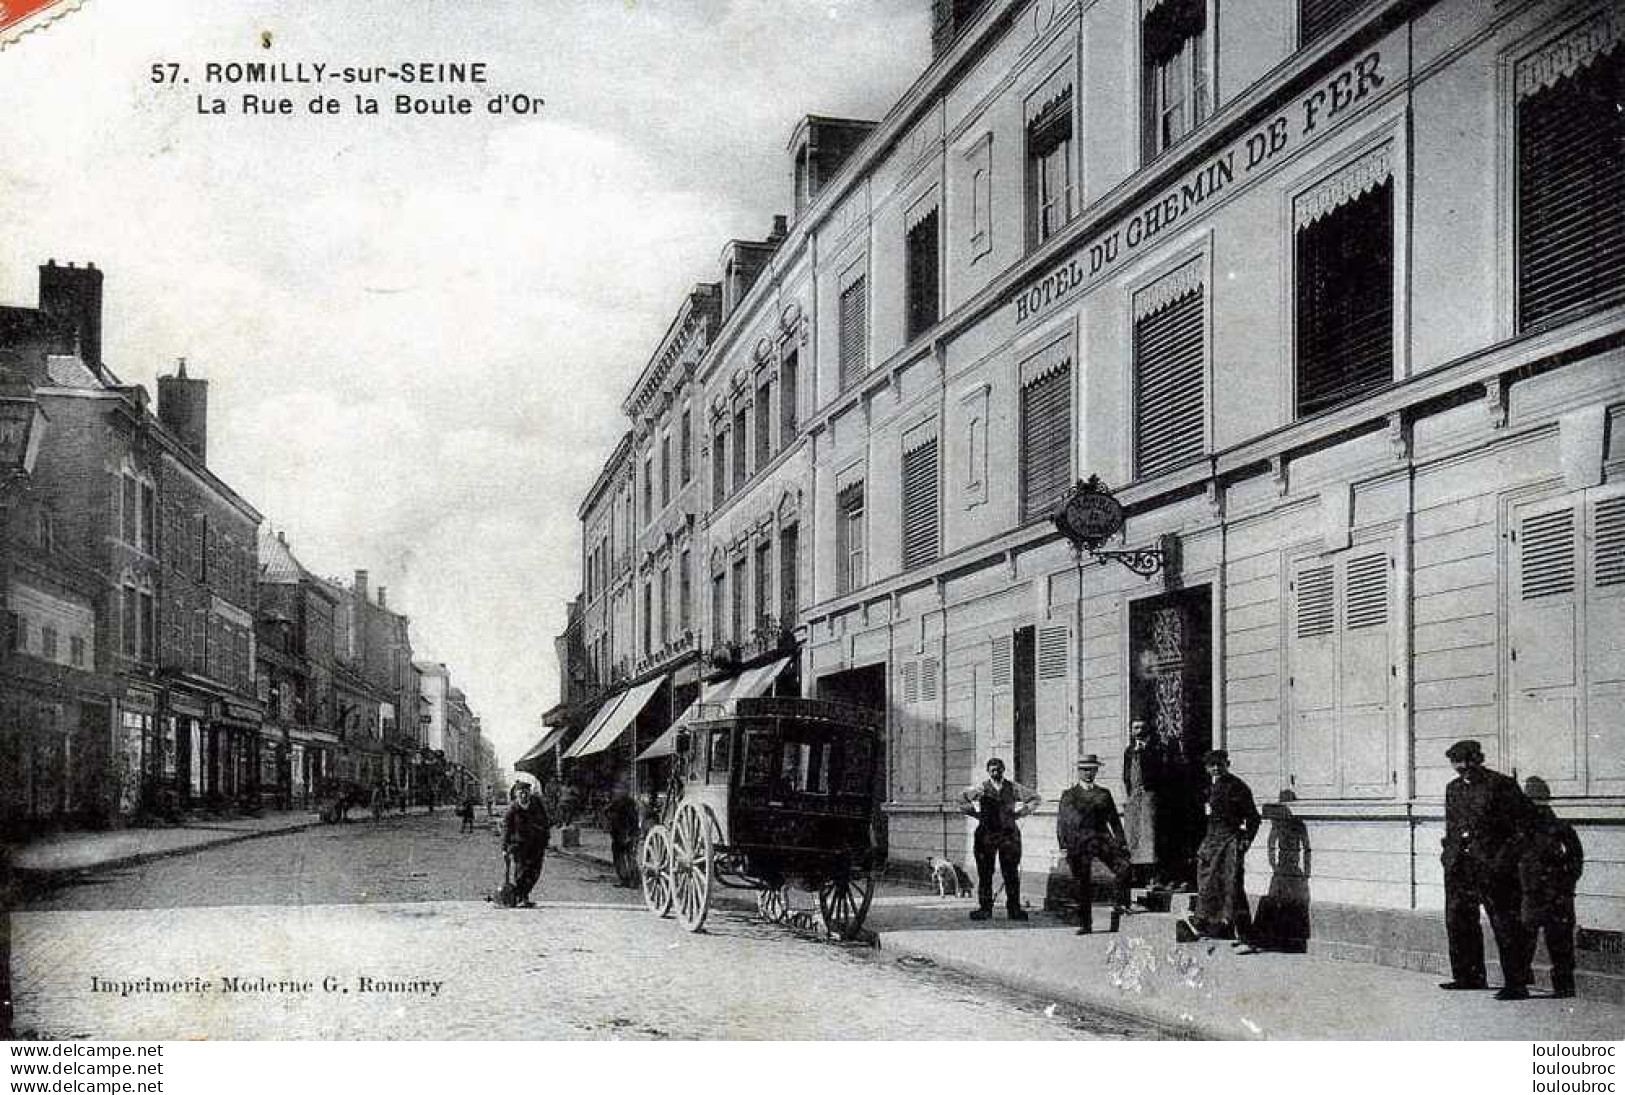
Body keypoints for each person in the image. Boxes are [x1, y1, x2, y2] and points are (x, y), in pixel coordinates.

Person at [1440, 739, 1537, 999]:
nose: (1463, 772)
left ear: (1478, 760)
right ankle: (1468, 977)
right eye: (1457, 767)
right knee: (1458, 920)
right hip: (1460, 867)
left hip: (1493, 868)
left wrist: (1503, 859)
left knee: (1505, 923)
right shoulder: (1453, 789)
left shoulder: (1501, 785)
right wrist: (1448, 854)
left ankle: (1516, 985)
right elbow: (1451, 826)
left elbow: (1525, 826)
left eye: (1467, 765)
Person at [1188, 750, 1260, 949]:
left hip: (1229, 842)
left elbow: (1253, 818)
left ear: (1227, 764)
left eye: (1220, 764)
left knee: (1233, 888)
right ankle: (1207, 926)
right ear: (1206, 768)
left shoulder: (1237, 787)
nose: (1216, 768)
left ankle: (1247, 938)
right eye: (1212, 765)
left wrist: (1245, 841)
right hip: (1211, 843)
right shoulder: (1206, 788)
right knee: (1207, 886)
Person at [1518, 776, 1583, 999]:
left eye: (1540, 804)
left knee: (1554, 941)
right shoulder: (1524, 829)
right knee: (1532, 940)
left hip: (1548, 892)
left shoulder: (1558, 828)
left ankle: (1561, 986)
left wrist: (1566, 883)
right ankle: (1530, 984)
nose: (1538, 809)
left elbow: (1575, 859)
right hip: (1535, 891)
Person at [1057, 754, 1133, 934]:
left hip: (1101, 840)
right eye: (1084, 769)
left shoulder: (1103, 794)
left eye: (1092, 769)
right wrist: (1064, 845)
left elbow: (1114, 820)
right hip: (1079, 844)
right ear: (1078, 771)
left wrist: (1121, 843)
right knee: (1082, 883)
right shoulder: (1069, 795)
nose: (1088, 773)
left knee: (1124, 868)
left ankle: (1119, 908)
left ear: (1097, 770)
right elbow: (1062, 823)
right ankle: (1085, 924)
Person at [959, 757, 1041, 921]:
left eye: (998, 770)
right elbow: (962, 799)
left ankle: (1014, 909)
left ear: (1003, 770)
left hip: (1008, 834)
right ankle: (985, 909)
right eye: (992, 770)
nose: (995, 773)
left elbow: (1035, 798)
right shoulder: (981, 787)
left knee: (1011, 873)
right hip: (986, 835)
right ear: (988, 771)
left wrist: (1021, 813)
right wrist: (975, 813)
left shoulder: (1013, 787)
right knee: (985, 873)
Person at [1121, 720, 1163, 892]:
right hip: (1134, 797)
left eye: (1142, 728)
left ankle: (1153, 876)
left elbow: (1160, 773)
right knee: (1133, 836)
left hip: (1149, 797)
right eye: (1135, 728)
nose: (1139, 731)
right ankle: (1136, 875)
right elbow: (1126, 775)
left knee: (1149, 836)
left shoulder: (1156, 750)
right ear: (1131, 731)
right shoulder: (1129, 751)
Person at [502, 780, 552, 908]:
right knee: (521, 871)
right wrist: (504, 847)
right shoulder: (513, 809)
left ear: (529, 793)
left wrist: (546, 839)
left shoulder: (537, 805)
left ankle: (522, 895)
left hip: (537, 844)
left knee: (535, 872)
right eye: (521, 793)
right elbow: (506, 829)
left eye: (526, 793)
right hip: (520, 845)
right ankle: (522, 897)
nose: (523, 796)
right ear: (516, 795)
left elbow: (546, 822)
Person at [605, 781, 641, 888]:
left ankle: (631, 880)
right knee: (623, 857)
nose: (617, 791)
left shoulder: (626, 803)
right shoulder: (619, 802)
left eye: (620, 789)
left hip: (625, 832)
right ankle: (627, 879)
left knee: (626, 857)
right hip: (618, 832)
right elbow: (606, 811)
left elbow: (633, 819)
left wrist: (631, 833)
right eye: (617, 789)